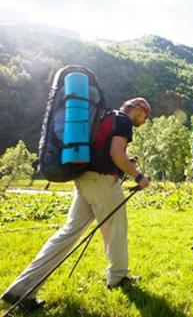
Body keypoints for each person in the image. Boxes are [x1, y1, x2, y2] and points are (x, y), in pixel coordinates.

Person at [1, 97, 151, 310]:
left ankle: (21, 288)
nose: (145, 120)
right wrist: (138, 176)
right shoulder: (124, 121)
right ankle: (118, 278)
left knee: (68, 233)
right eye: (146, 115)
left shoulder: (105, 117)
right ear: (137, 108)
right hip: (102, 182)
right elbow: (116, 153)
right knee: (116, 230)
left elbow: (106, 151)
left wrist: (125, 162)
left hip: (83, 179)